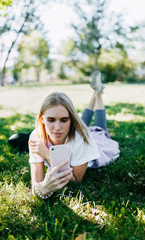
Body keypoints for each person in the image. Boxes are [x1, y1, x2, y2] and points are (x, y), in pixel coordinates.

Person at [8, 71, 120, 199]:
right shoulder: (36, 137)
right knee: (82, 125)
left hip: (96, 145)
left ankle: (98, 93)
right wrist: (43, 189)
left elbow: (76, 180)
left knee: (99, 130)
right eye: (51, 120)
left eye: (64, 120)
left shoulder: (82, 138)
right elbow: (36, 185)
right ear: (42, 119)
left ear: (71, 119)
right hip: (75, 133)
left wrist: (48, 155)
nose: (57, 128)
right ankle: (96, 91)